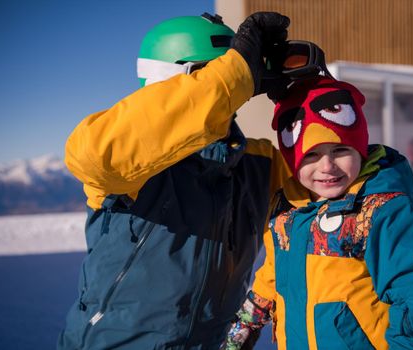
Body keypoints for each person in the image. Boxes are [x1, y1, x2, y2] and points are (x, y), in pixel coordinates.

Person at [57, 12, 294, 349]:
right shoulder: (129, 164)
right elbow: (95, 156)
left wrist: (307, 96)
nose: (234, 92)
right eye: (210, 76)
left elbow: (332, 183)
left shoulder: (258, 163)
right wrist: (231, 76)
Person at [223, 77, 413, 349]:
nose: (327, 166)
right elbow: (273, 273)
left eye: (340, 150)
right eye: (311, 155)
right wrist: (248, 323)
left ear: (360, 151)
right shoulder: (287, 207)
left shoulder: (379, 209)